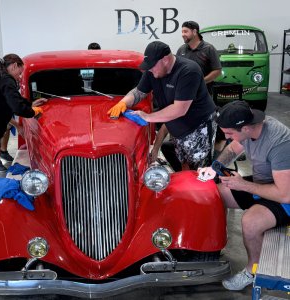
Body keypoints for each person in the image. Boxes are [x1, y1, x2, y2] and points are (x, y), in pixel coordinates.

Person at [197, 100, 290, 291]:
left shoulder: (280, 143)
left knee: (250, 222)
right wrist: (215, 168)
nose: (226, 136)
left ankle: (252, 270)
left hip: (284, 194)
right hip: (262, 183)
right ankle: (213, 247)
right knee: (214, 195)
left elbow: (284, 194)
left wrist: (244, 185)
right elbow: (232, 149)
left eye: (229, 133)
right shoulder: (247, 131)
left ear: (246, 128)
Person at [107, 41, 217, 170]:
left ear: (165, 59)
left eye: (152, 66)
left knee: (201, 172)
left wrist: (147, 117)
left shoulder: (188, 71)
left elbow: (179, 109)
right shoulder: (152, 71)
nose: (150, 70)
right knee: (185, 166)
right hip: (177, 128)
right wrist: (123, 102)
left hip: (198, 127)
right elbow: (139, 91)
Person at [151, 21, 222, 170]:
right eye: (182, 32)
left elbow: (217, 71)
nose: (183, 34)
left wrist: (198, 82)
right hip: (183, 97)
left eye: (186, 31)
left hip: (202, 98)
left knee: (201, 156)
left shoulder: (208, 49)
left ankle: (211, 163)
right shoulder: (182, 49)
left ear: (195, 31)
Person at [0, 54, 47, 177]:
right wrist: (33, 112)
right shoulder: (7, 80)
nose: (20, 77)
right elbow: (16, 107)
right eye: (19, 73)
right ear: (14, 65)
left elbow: (12, 99)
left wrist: (30, 103)